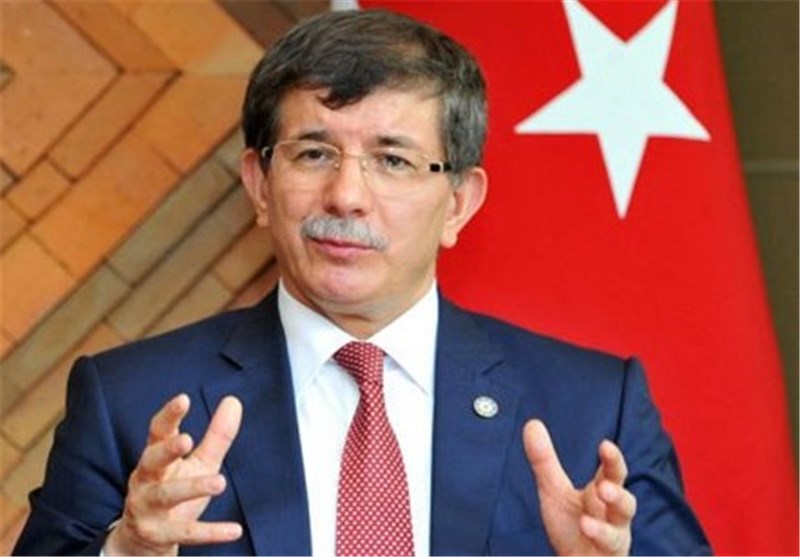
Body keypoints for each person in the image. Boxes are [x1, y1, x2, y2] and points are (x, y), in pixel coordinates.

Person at [13, 9, 710, 557]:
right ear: (259, 184)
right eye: (314, 153)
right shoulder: (129, 402)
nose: (346, 196)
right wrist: (128, 551)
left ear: (459, 203)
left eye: (393, 160)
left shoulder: (591, 410)